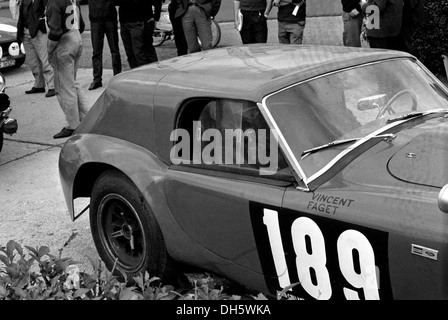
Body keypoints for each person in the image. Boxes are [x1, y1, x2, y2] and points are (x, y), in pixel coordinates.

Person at [46, 0, 89, 139]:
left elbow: (55, 32)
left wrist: (49, 50)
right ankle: (86, 117)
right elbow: (81, 25)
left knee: (64, 87)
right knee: (73, 83)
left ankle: (72, 125)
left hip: (64, 42)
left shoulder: (54, 2)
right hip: (76, 38)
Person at [17, 0, 55, 97]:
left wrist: (40, 25)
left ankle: (52, 86)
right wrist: (19, 34)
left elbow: (48, 11)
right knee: (32, 61)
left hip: (39, 32)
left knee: (45, 60)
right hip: (26, 32)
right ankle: (39, 85)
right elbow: (21, 15)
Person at [114, 0, 162, 69]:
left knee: (141, 52)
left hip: (140, 21)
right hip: (125, 20)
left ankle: (148, 74)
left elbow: (157, 2)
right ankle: (137, 74)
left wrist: (155, 17)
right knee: (131, 53)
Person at [87, 0, 122, 91]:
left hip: (109, 18)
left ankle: (117, 77)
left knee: (114, 50)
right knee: (96, 51)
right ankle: (97, 79)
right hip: (95, 20)